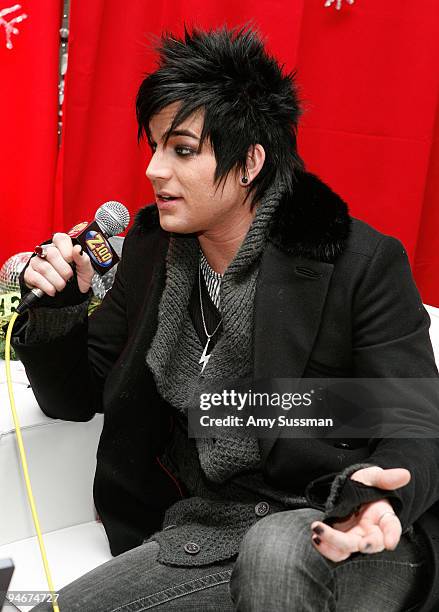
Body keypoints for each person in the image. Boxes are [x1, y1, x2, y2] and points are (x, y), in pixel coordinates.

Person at [12, 25, 439, 612]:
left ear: (250, 163)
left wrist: (379, 498)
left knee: (274, 548)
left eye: (183, 150)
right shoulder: (150, 251)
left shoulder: (357, 264)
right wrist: (62, 308)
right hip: (203, 532)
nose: (155, 171)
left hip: (349, 523)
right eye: (156, 147)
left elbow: (414, 417)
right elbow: (75, 398)